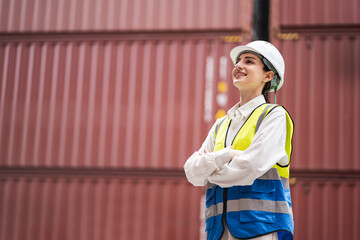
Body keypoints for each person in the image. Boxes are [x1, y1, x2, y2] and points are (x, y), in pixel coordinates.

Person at [184, 41, 294, 240]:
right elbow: (191, 172)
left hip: (260, 228)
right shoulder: (221, 124)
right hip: (218, 231)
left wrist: (209, 170)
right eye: (238, 61)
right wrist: (228, 154)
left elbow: (249, 168)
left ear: (268, 76)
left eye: (249, 61)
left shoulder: (273, 116)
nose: (238, 66)